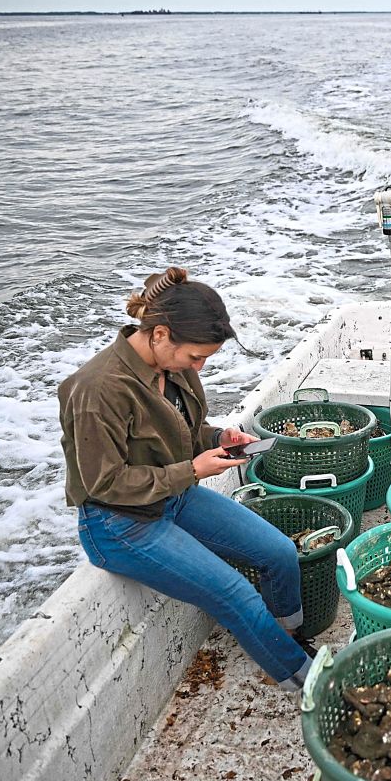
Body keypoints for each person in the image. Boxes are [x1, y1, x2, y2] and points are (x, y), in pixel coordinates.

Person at [58, 267, 314, 691]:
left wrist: (218, 437)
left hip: (173, 497)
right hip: (120, 524)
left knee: (280, 552)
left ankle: (287, 640)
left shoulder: (173, 367)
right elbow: (103, 484)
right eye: (196, 357)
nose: (200, 365)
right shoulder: (97, 389)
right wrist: (193, 470)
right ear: (159, 334)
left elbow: (186, 431)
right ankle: (304, 679)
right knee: (237, 597)